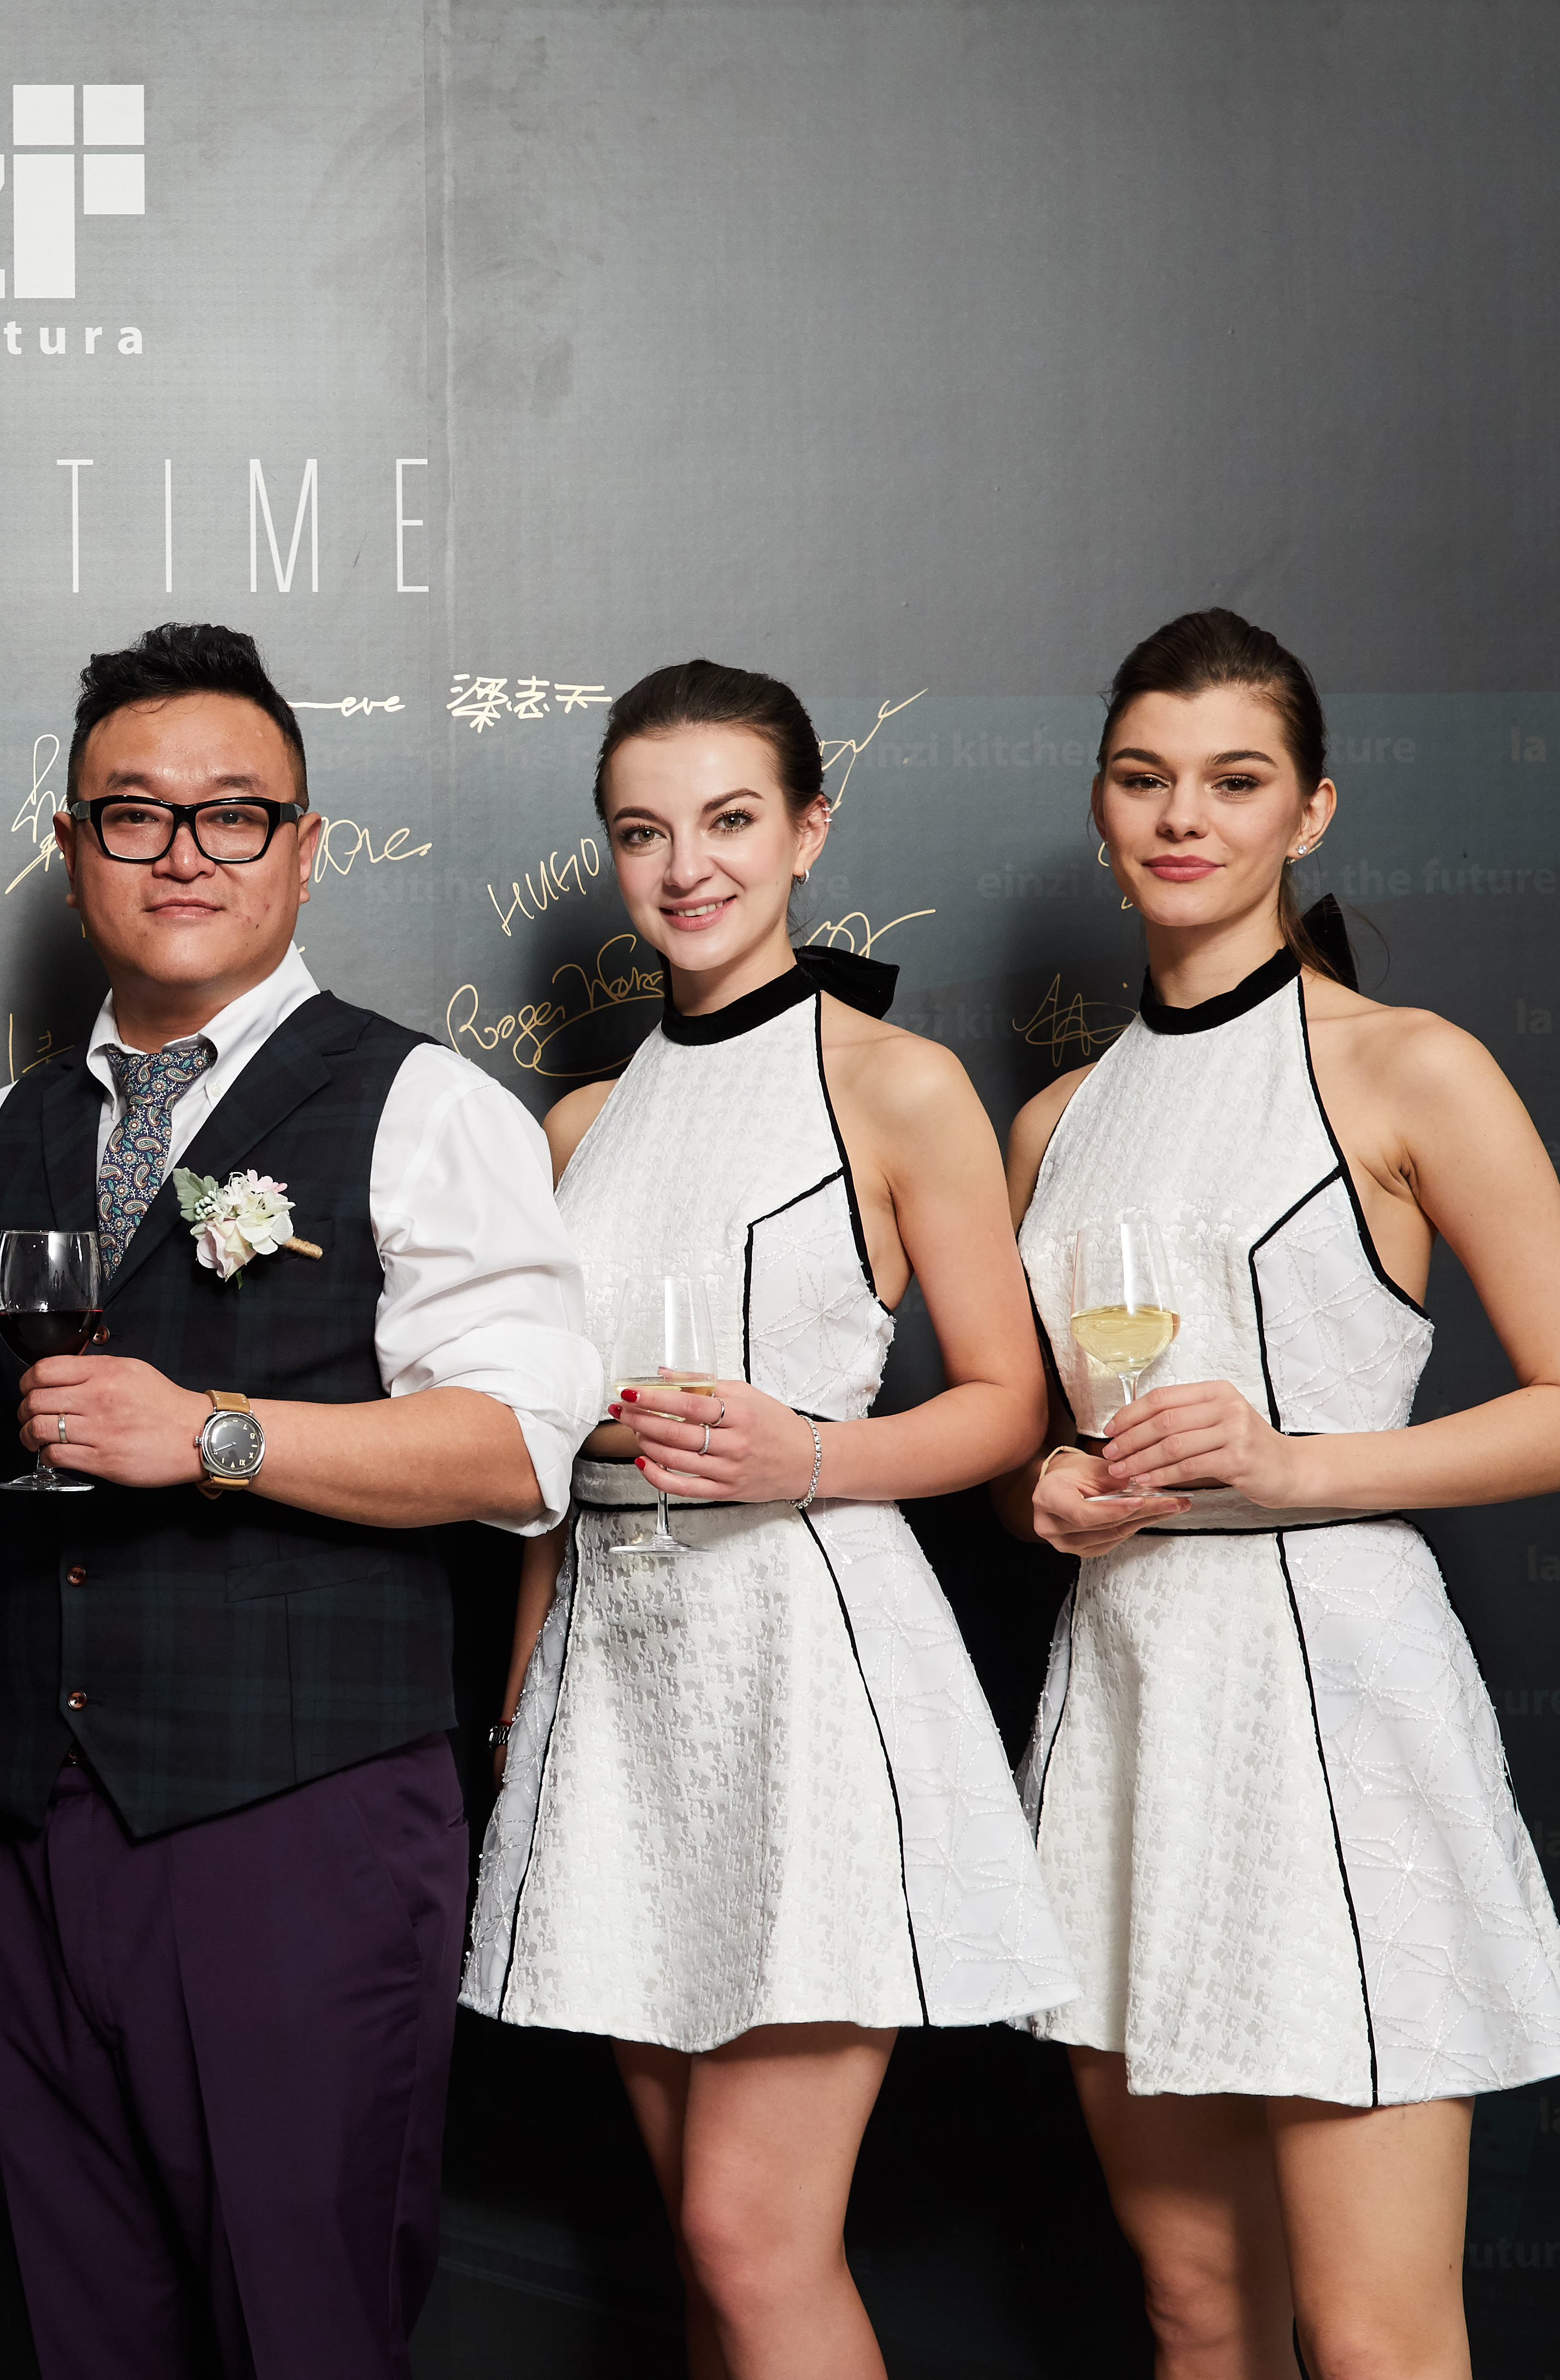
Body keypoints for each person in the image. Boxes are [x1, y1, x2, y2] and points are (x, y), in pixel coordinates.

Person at [0, 620, 601, 2380]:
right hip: (23, 1843)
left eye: (232, 814)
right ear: (70, 847)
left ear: (304, 845)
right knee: (76, 2336)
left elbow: (516, 1446)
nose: (183, 853)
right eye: (132, 814)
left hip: (299, 1827)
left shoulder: (421, 1105)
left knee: (303, 2329)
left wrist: (215, 1432)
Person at [1000, 608, 1560, 2378]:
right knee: (1195, 2308)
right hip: (1127, 1699)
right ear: (1100, 806)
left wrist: (1298, 1464)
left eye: (1233, 780)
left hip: (1335, 1700)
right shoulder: (1052, 1121)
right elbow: (1042, 1451)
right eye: (1143, 778)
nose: (1181, 817)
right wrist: (1047, 1488)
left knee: (1368, 2331)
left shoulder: (1406, 1063)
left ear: (1311, 809)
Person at [457, 660, 1071, 2377]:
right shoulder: (577, 1123)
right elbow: (543, 1454)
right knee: (705, 2254)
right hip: (614, 1682)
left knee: (748, 2234)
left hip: (807, 1663)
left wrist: (803, 1452)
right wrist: (519, 1695)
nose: (686, 867)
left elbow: (1004, 1403)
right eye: (641, 830)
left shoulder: (896, 1082)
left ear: (808, 829)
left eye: (728, 820)